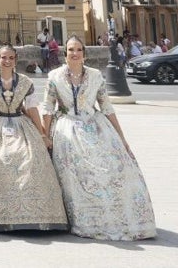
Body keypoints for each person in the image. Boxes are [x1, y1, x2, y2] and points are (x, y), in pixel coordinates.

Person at [41, 35, 156, 240]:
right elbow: (48, 109)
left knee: (115, 166)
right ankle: (85, 218)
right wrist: (45, 137)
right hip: (66, 127)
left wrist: (121, 138)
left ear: (84, 54)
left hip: (95, 125)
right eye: (70, 50)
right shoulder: (54, 77)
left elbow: (107, 108)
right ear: (64, 54)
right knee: (78, 172)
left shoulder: (96, 76)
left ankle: (114, 217)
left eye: (78, 50)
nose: (74, 54)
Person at [0, 43, 67, 232]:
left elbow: (32, 109)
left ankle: (34, 213)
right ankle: (0, 216)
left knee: (30, 160)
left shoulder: (25, 81)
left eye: (10, 58)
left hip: (20, 124)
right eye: (3, 58)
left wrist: (42, 133)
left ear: (15, 60)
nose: (7, 61)